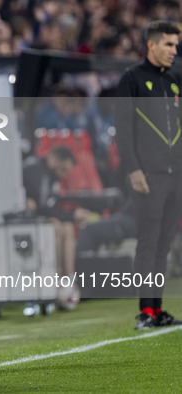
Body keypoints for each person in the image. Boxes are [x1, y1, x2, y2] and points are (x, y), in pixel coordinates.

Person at [115, 20, 182, 330]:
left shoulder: (174, 81)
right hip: (149, 175)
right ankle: (146, 311)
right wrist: (133, 169)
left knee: (165, 243)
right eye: (168, 44)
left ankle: (158, 308)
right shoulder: (131, 80)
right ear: (151, 45)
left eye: (176, 45)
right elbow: (124, 130)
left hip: (175, 176)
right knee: (148, 243)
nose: (174, 50)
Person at [22, 146, 91, 309]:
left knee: (67, 227)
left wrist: (72, 216)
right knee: (57, 228)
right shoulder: (34, 170)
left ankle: (68, 280)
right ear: (53, 160)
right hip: (26, 222)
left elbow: (48, 207)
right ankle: (55, 279)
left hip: (41, 218)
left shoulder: (50, 178)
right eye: (63, 170)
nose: (65, 175)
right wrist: (71, 215)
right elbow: (38, 206)